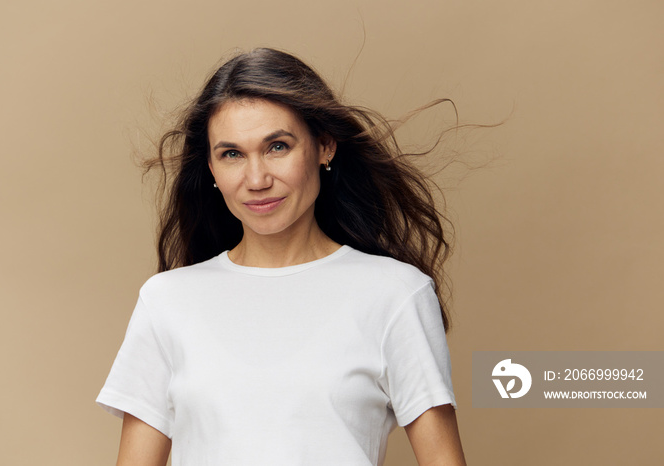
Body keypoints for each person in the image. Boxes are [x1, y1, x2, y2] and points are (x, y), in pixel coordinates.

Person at [97, 47, 467, 465]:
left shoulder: (396, 295)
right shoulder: (165, 301)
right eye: (232, 154)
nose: (257, 179)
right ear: (212, 169)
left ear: (324, 146)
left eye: (277, 146)